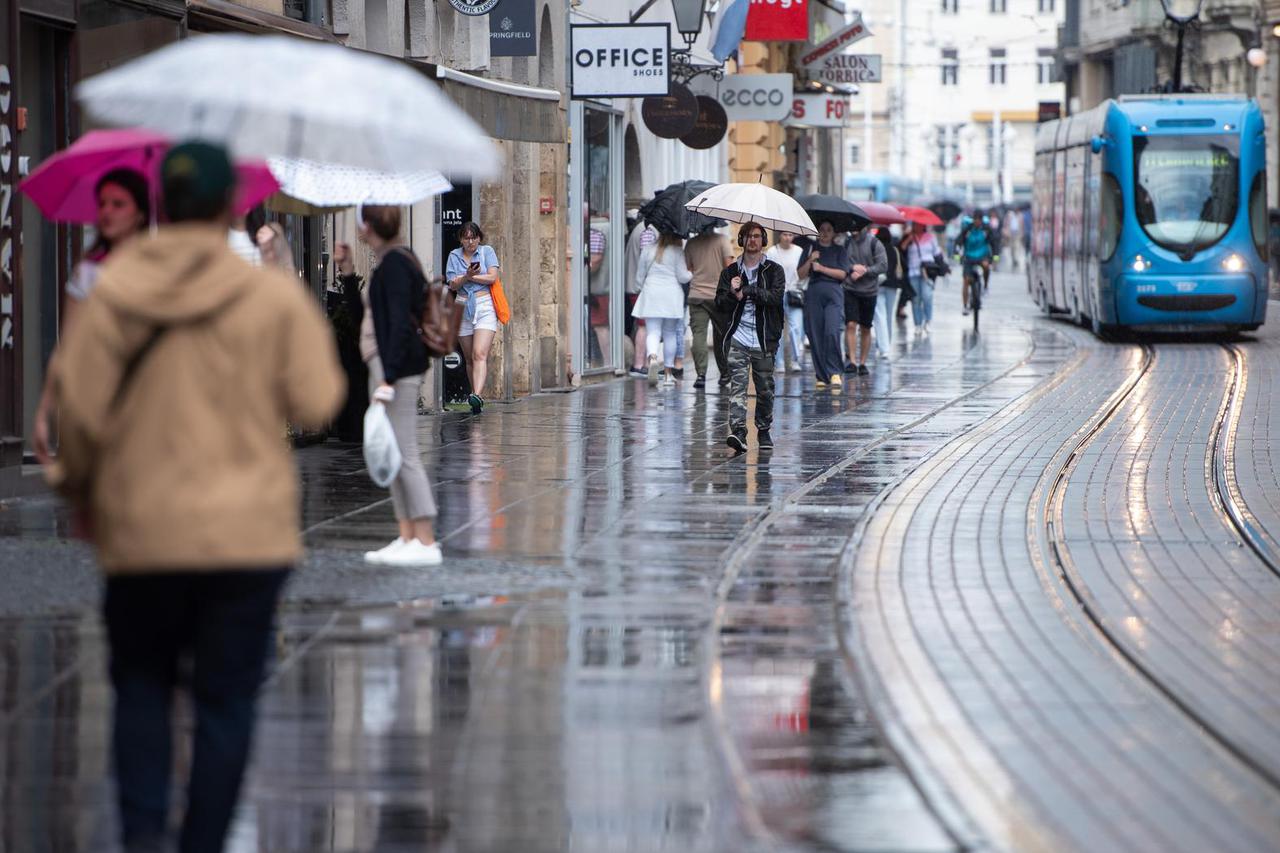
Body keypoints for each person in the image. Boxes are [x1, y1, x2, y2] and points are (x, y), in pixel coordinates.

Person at [44, 141, 344, 853]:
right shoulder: (267, 295)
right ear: (224, 207)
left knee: (142, 686)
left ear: (162, 205)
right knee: (225, 698)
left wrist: (79, 488)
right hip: (246, 536)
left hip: (143, 530)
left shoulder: (115, 289)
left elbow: (77, 413)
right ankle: (203, 841)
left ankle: (144, 834)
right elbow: (319, 398)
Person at [342, 205, 443, 567]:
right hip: (383, 365)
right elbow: (365, 321)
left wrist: (388, 376)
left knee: (405, 452)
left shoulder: (397, 264)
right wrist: (349, 274)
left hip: (395, 370)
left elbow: (398, 325)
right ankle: (407, 535)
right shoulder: (387, 263)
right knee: (395, 454)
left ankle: (426, 540)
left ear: (367, 226)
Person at [32, 167, 150, 465]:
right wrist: (45, 409)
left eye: (118, 204)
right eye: (102, 203)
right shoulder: (88, 273)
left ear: (140, 213)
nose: (107, 212)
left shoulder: (162, 270)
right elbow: (68, 345)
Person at [715, 222, 784, 453]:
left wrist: (749, 290)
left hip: (764, 339)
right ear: (741, 240)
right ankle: (738, 432)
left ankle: (763, 429)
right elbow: (719, 305)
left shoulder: (774, 270)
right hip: (738, 338)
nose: (752, 240)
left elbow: (775, 297)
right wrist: (733, 294)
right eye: (748, 236)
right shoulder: (730, 272)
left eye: (757, 236)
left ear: (763, 240)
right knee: (738, 387)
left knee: (765, 388)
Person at [446, 221, 501, 415]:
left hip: (485, 305)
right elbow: (452, 285)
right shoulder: (454, 256)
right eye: (467, 238)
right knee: (469, 358)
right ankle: (474, 395)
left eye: (474, 237)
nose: (471, 242)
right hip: (462, 306)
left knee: (479, 354)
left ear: (479, 237)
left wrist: (470, 277)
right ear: (461, 239)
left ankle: (477, 395)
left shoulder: (487, 252)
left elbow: (492, 277)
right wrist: (466, 276)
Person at [632, 231, 692, 387]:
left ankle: (652, 358)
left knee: (652, 332)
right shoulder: (677, 251)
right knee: (670, 334)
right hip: (671, 296)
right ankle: (667, 375)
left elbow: (639, 277)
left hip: (651, 293)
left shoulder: (648, 249)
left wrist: (640, 288)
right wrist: (691, 272)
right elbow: (682, 277)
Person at [798, 220, 850, 389]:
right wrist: (810, 260)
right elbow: (800, 274)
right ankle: (821, 375)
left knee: (832, 331)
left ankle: (835, 371)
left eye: (829, 229)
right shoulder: (810, 248)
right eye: (822, 229)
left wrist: (821, 269)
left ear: (834, 233)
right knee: (815, 334)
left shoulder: (839, 250)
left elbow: (842, 274)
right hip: (814, 293)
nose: (825, 232)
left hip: (834, 293)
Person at [684, 224, 735, 389]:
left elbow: (688, 268)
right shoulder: (722, 240)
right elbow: (729, 267)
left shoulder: (691, 243)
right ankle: (725, 374)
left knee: (698, 335)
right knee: (722, 336)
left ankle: (700, 375)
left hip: (697, 295)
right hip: (719, 296)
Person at [842, 222, 887, 375]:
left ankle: (862, 363)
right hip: (850, 289)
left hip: (869, 291)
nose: (853, 228)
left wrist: (865, 270)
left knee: (866, 327)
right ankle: (852, 362)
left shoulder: (875, 243)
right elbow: (840, 260)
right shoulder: (846, 242)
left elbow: (883, 265)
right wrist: (851, 268)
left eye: (857, 225)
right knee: (851, 324)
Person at [766, 230, 805, 373]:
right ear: (779, 236)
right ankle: (779, 362)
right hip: (777, 294)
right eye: (785, 234)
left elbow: (802, 273)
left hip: (794, 293)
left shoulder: (799, 251)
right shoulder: (772, 252)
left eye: (790, 234)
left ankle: (795, 361)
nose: (788, 237)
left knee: (796, 328)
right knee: (778, 330)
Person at [624, 217, 658, 377]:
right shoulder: (648, 231)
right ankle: (638, 365)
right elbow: (648, 261)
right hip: (642, 287)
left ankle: (642, 364)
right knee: (644, 325)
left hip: (640, 286)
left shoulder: (645, 228)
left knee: (644, 325)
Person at [901, 222, 943, 334]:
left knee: (927, 296)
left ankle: (928, 321)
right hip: (913, 271)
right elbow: (902, 248)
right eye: (914, 224)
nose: (916, 226)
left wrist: (942, 266)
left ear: (923, 226)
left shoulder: (930, 237)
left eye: (918, 224)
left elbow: (937, 253)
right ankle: (918, 324)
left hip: (928, 272)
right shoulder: (909, 237)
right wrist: (909, 238)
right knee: (915, 299)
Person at [871, 227, 905, 360]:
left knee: (879, 315)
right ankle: (887, 344)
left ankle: (882, 345)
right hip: (892, 285)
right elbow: (904, 265)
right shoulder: (894, 249)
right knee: (889, 315)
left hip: (878, 284)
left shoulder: (876, 249)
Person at [956, 214, 993, 315]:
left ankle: (985, 287)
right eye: (975, 219)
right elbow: (958, 241)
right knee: (966, 280)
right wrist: (957, 255)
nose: (977, 222)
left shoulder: (986, 230)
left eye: (979, 219)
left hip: (982, 257)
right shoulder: (967, 230)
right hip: (969, 257)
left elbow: (993, 241)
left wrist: (994, 256)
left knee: (986, 266)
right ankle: (965, 306)